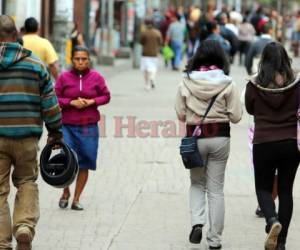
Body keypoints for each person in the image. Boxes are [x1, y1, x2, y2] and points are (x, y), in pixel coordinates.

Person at [0, 15, 62, 250]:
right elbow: (50, 103)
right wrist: (55, 132)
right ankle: (24, 226)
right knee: (26, 181)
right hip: (27, 138)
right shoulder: (35, 65)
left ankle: (2, 243)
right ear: (16, 36)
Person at [175, 40, 242, 249]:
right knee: (216, 190)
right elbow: (237, 116)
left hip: (195, 140)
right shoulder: (228, 83)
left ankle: (197, 222)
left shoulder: (185, 82)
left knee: (197, 184)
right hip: (220, 138)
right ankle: (214, 240)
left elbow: (180, 113)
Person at [245, 42, 300, 250]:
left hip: (264, 142)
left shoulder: (254, 84)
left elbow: (250, 109)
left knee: (263, 188)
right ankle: (281, 242)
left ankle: (271, 219)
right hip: (291, 144)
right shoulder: (297, 82)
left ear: (264, 61)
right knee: (286, 192)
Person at [55, 46, 111, 211]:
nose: (80, 62)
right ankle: (65, 192)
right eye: (77, 59)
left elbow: (106, 96)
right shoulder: (64, 78)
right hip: (67, 126)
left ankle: (77, 199)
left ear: (89, 60)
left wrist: (92, 101)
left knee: (85, 161)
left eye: (84, 59)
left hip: (88, 127)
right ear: (72, 60)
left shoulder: (96, 77)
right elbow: (55, 97)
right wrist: (70, 102)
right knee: (66, 160)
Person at [140, 18, 162, 90]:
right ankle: (152, 78)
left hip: (145, 54)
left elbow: (141, 42)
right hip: (154, 53)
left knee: (146, 69)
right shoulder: (157, 32)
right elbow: (160, 42)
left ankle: (147, 84)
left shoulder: (144, 33)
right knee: (153, 68)